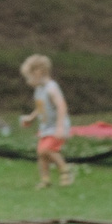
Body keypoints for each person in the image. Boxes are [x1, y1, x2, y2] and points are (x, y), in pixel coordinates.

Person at [19, 55, 73, 188]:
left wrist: (60, 127)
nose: (28, 81)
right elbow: (40, 108)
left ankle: (65, 170)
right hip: (46, 127)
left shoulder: (51, 88)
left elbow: (61, 106)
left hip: (57, 126)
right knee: (41, 154)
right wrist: (31, 118)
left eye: (28, 77)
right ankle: (45, 179)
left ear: (38, 72)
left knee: (46, 150)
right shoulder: (39, 89)